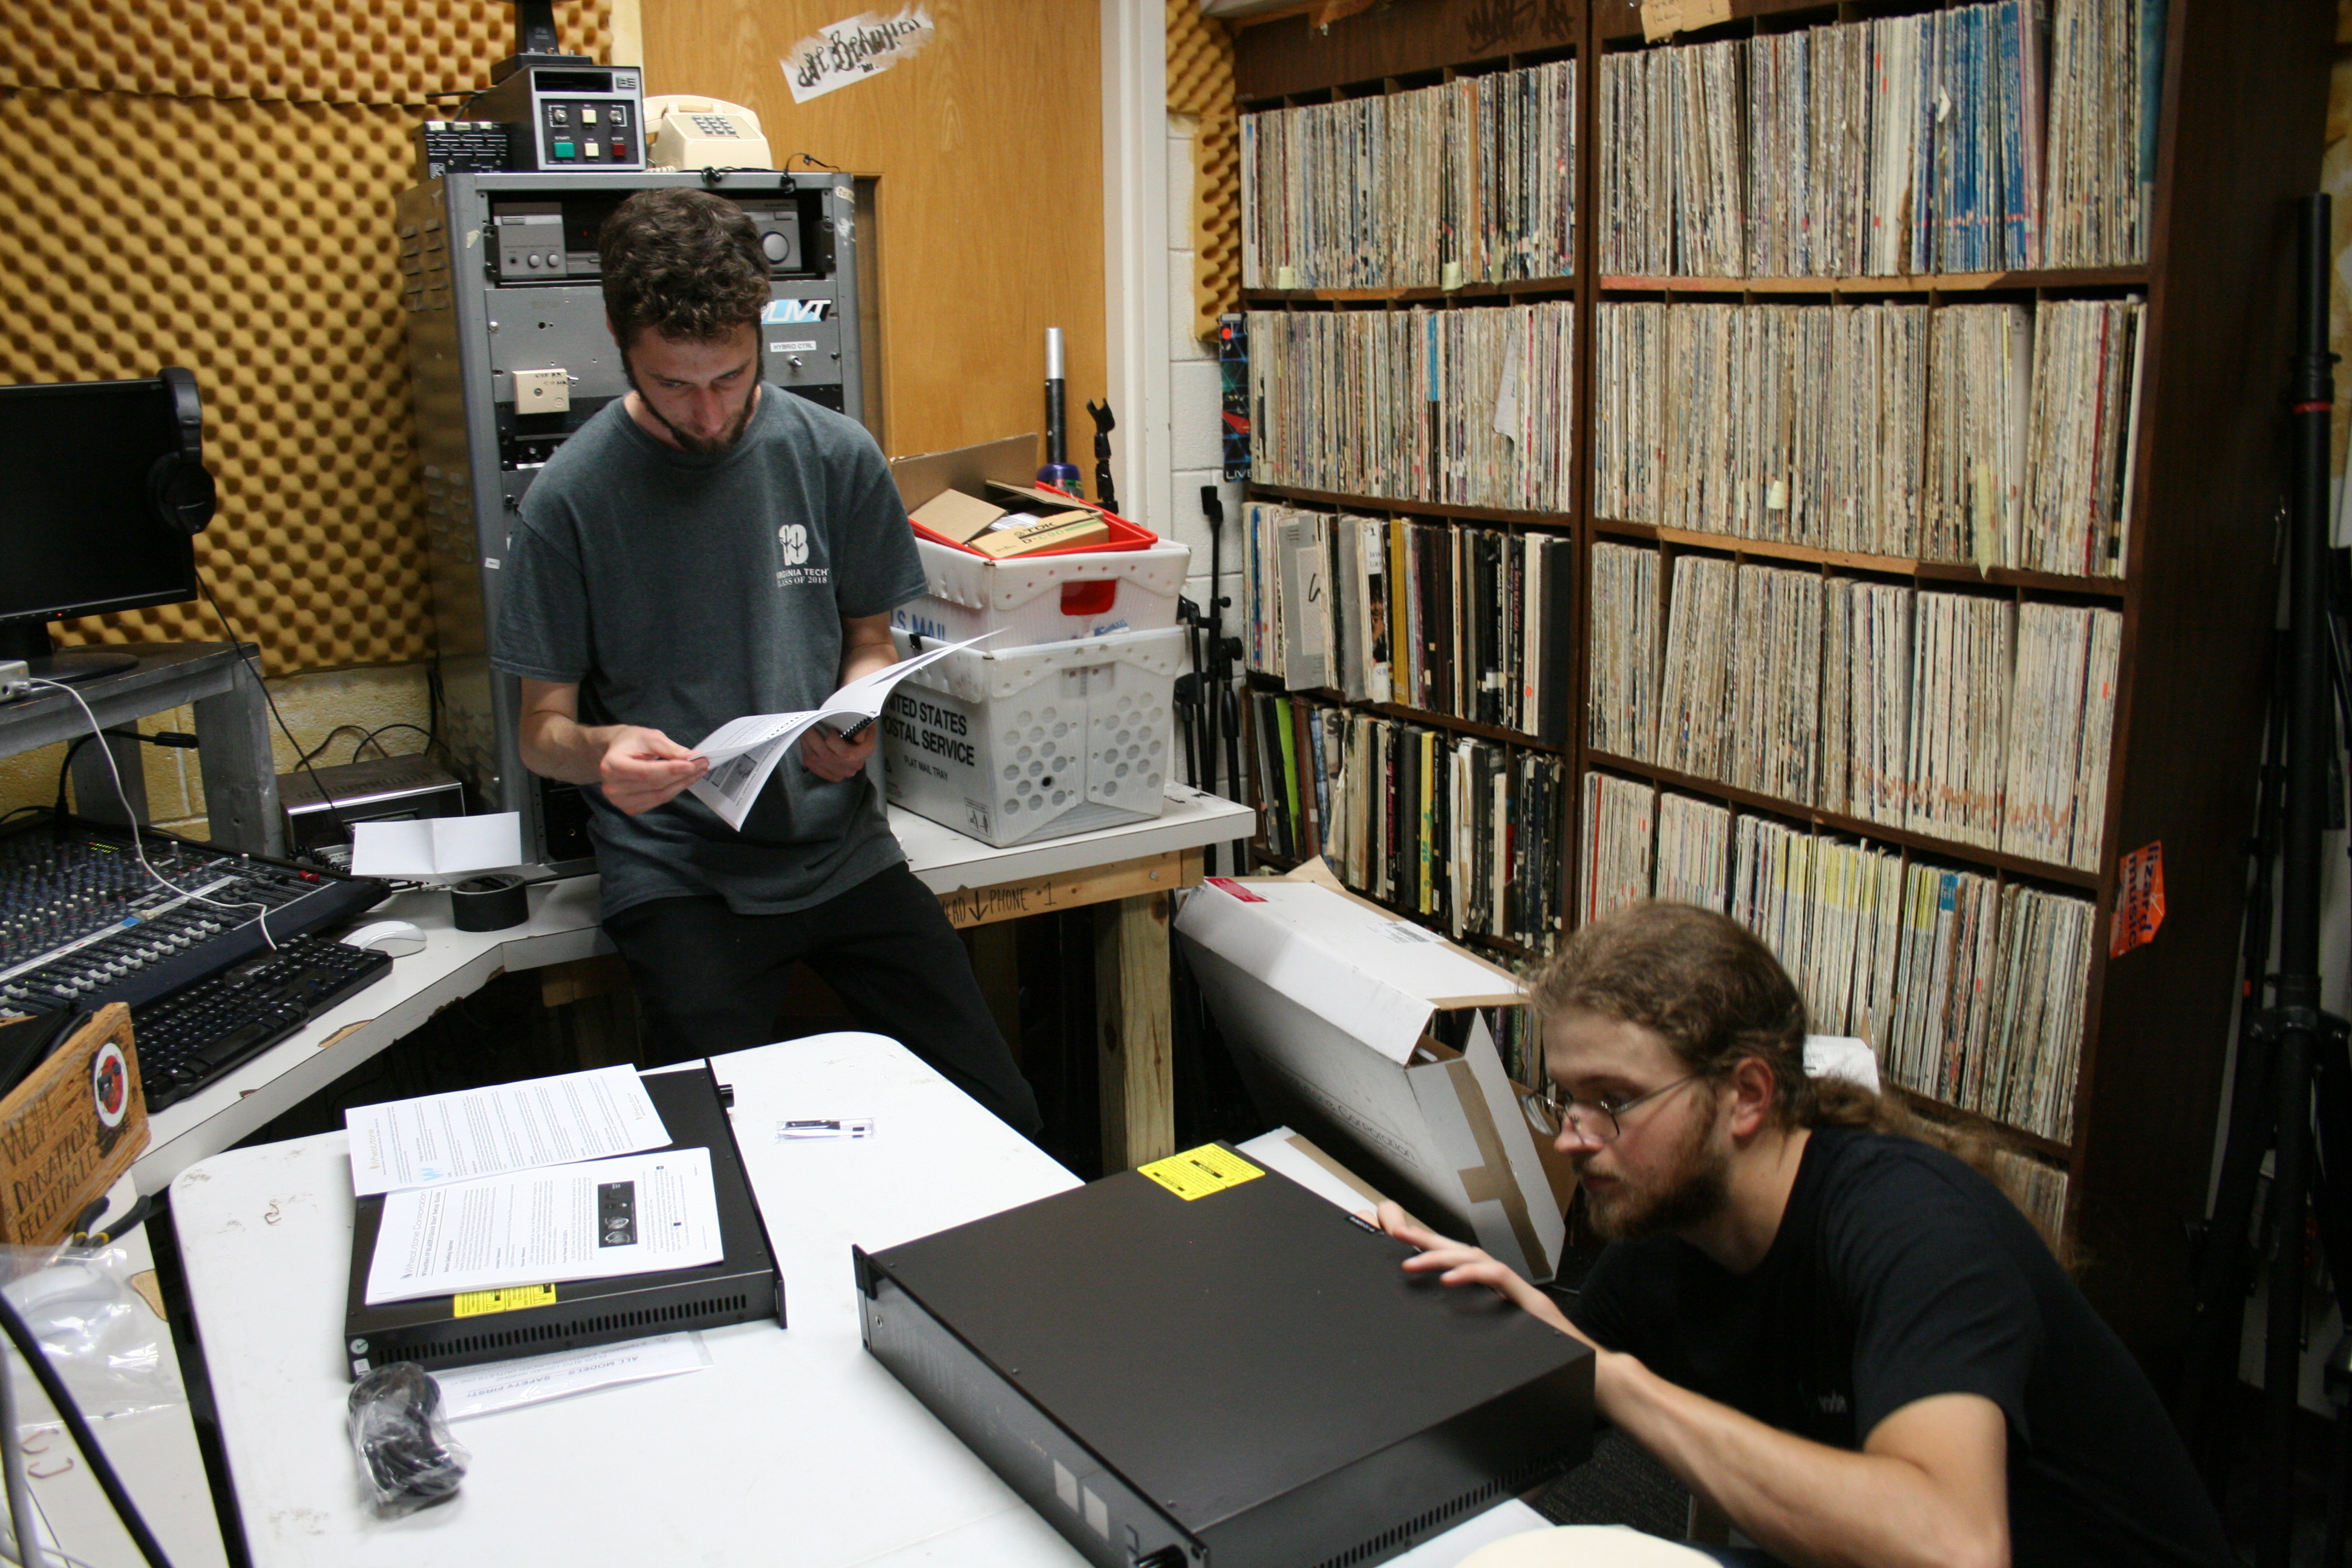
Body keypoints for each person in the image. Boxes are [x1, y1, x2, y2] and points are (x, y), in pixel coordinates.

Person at [1378, 901, 2230, 1568]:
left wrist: (1620, 1383)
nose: (1573, 1136)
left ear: (1747, 1095)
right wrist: (1394, 1308)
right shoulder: (1666, 1236)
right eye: (1568, 1099)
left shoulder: (1913, 1226)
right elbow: (1527, 1427)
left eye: (1616, 1102)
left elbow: (1952, 1547)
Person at [491, 188, 1039, 1135]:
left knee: (1003, 1115)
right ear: (623, 346)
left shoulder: (835, 456)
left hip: (840, 849)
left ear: (760, 334)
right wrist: (599, 756)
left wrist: (857, 717)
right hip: (682, 873)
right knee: (705, 1157)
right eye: (673, 385)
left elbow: (870, 643)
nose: (707, 413)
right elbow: (541, 731)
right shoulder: (570, 500)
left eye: (731, 377)